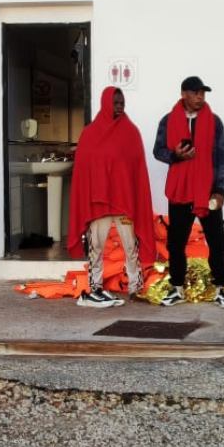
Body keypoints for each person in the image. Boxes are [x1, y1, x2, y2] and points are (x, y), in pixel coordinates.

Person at [68, 86, 154, 309]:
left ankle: (135, 287)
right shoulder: (90, 133)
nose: (119, 106)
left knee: (130, 246)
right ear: (106, 103)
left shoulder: (131, 132)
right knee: (96, 245)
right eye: (115, 103)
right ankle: (95, 286)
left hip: (124, 202)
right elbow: (84, 168)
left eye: (122, 102)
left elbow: (136, 169)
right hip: (99, 202)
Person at [152, 76, 224, 308]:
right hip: (180, 190)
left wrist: (219, 190)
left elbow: (221, 159)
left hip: (206, 190)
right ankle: (177, 288)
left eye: (203, 93)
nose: (200, 97)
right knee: (176, 243)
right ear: (184, 94)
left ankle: (221, 289)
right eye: (196, 93)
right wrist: (175, 155)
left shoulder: (214, 122)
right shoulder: (168, 121)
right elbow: (158, 151)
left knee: (216, 241)